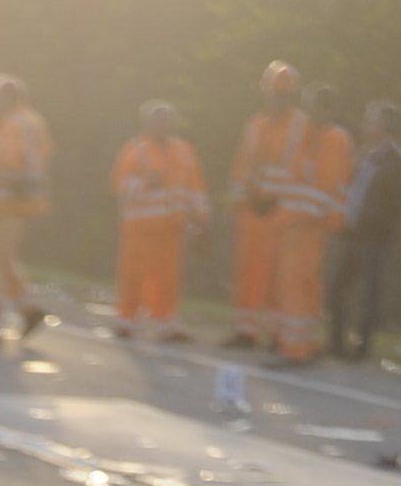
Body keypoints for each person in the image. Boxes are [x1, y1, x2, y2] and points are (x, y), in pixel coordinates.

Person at [270, 81, 356, 364]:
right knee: (300, 284)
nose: (308, 111)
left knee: (298, 283)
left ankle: (296, 347)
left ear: (327, 109)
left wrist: (301, 212)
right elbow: (291, 174)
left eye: (314, 106)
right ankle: (302, 342)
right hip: (295, 222)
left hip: (309, 224)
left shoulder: (334, 138)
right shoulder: (307, 134)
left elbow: (325, 185)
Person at [225, 61, 308, 346]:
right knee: (247, 270)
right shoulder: (255, 124)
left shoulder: (300, 126)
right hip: (252, 210)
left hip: (281, 211)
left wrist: (277, 198)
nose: (277, 99)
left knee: (278, 273)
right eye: (273, 92)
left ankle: (277, 333)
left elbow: (298, 170)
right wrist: (241, 202)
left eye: (283, 94)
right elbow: (241, 167)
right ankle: (245, 330)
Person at [109, 104, 208, 341]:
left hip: (172, 227)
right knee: (133, 273)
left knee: (168, 277)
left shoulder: (184, 150)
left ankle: (165, 323)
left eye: (166, 121)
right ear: (147, 123)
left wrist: (202, 218)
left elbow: (195, 187)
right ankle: (127, 320)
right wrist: (146, 182)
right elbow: (119, 186)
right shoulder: (135, 150)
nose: (162, 126)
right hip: (140, 227)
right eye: (157, 121)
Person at [0, 76, 53, 339]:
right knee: (3, 259)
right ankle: (29, 309)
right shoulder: (28, 122)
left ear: (5, 99)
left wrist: (6, 185)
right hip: (12, 203)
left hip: (4, 203)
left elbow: (15, 165)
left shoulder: (15, 124)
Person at [326, 102, 401, 361]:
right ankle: (336, 343)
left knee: (368, 293)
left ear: (385, 125)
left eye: (371, 120)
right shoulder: (364, 153)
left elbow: (397, 206)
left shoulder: (397, 160)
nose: (365, 124)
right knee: (336, 287)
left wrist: (376, 226)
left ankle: (361, 347)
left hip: (373, 237)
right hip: (351, 233)